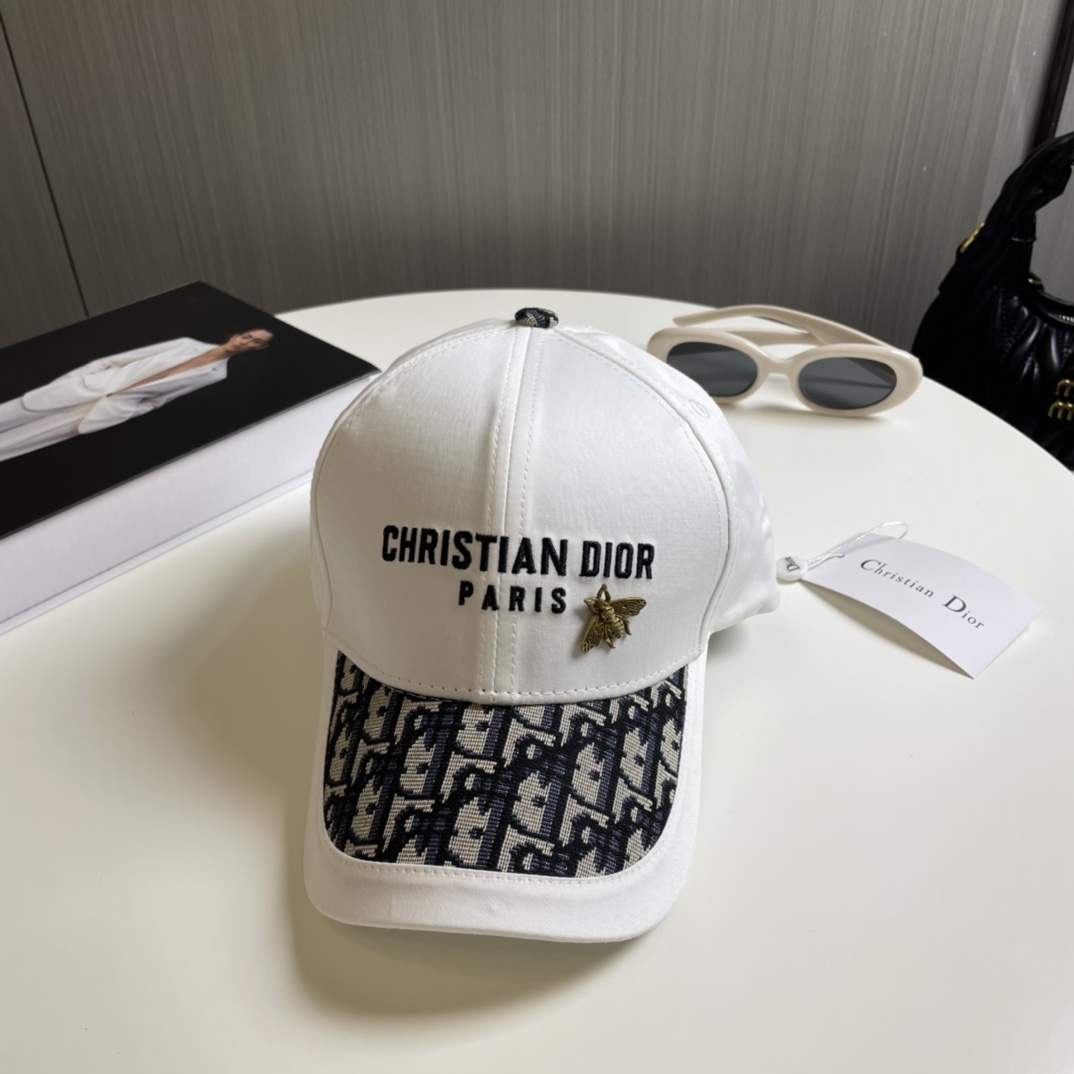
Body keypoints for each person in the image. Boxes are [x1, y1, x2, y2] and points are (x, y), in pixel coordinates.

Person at [0, 329, 273, 463]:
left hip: (108, 409)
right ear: (237, 335)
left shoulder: (216, 374)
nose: (246, 342)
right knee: (13, 412)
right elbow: (113, 360)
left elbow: (158, 400)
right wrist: (72, 380)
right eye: (247, 336)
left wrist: (128, 410)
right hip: (88, 386)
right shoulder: (185, 344)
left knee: (24, 440)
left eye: (255, 342)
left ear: (258, 349)